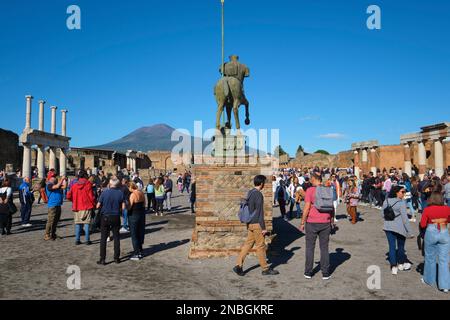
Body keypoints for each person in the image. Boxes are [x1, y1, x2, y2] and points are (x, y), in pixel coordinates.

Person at [233, 175, 279, 276]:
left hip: (250, 223)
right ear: (261, 183)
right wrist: (263, 228)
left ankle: (238, 265)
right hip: (257, 224)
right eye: (264, 183)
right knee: (261, 246)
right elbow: (259, 212)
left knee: (248, 244)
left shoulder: (250, 192)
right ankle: (265, 269)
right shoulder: (258, 194)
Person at [300, 173, 334, 280]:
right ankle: (325, 272)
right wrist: (332, 220)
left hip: (312, 222)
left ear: (314, 179)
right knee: (324, 248)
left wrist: (302, 222)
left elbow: (306, 208)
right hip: (325, 222)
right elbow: (332, 207)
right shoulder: (328, 189)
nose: (310, 181)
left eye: (311, 179)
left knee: (310, 247)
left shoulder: (310, 190)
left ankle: (308, 272)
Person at [420, 192, 450, 293]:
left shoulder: (427, 209)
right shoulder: (447, 208)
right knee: (444, 260)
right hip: (444, 231)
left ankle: (429, 279)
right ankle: (445, 285)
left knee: (430, 258)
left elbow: (423, 224)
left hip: (431, 231)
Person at [382, 185, 414, 275]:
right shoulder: (401, 202)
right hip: (399, 227)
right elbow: (405, 219)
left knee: (392, 247)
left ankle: (393, 266)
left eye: (404, 192)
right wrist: (410, 232)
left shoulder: (386, 200)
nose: (404, 194)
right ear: (396, 192)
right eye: (402, 192)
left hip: (388, 226)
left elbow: (382, 214)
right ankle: (400, 263)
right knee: (400, 247)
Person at [97, 178, 125, 265]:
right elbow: (123, 207)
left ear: (110, 184)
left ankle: (102, 259)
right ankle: (116, 258)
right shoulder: (120, 193)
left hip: (105, 216)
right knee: (116, 237)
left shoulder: (105, 192)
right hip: (115, 216)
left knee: (103, 238)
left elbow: (98, 206)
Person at [67, 170, 96, 245]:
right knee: (86, 223)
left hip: (77, 206)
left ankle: (77, 239)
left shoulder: (74, 185)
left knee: (78, 223)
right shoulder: (88, 184)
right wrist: (94, 204)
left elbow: (68, 196)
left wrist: (74, 200)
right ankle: (87, 240)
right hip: (86, 206)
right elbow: (91, 196)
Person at [44, 172, 67, 241]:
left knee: (56, 221)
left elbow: (64, 187)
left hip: (58, 205)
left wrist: (65, 180)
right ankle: (47, 234)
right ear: (50, 178)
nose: (55, 178)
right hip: (52, 205)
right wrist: (62, 179)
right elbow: (56, 187)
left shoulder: (56, 184)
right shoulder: (49, 185)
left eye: (55, 177)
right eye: (53, 177)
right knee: (50, 221)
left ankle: (53, 234)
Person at [128, 182, 146, 261]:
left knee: (134, 234)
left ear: (130, 187)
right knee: (140, 232)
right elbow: (144, 204)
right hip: (141, 214)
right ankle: (140, 250)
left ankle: (136, 253)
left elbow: (130, 206)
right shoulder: (141, 193)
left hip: (134, 215)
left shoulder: (133, 195)